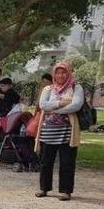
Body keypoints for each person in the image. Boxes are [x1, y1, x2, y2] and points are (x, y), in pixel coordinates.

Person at [35, 61, 83, 201]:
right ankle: (44, 188)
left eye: (63, 72)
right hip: (47, 131)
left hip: (67, 132)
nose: (60, 75)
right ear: (54, 74)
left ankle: (65, 191)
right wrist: (62, 103)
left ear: (68, 73)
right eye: (58, 72)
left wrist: (56, 110)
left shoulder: (76, 87)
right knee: (45, 161)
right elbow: (43, 104)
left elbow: (76, 105)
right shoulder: (48, 89)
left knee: (67, 162)